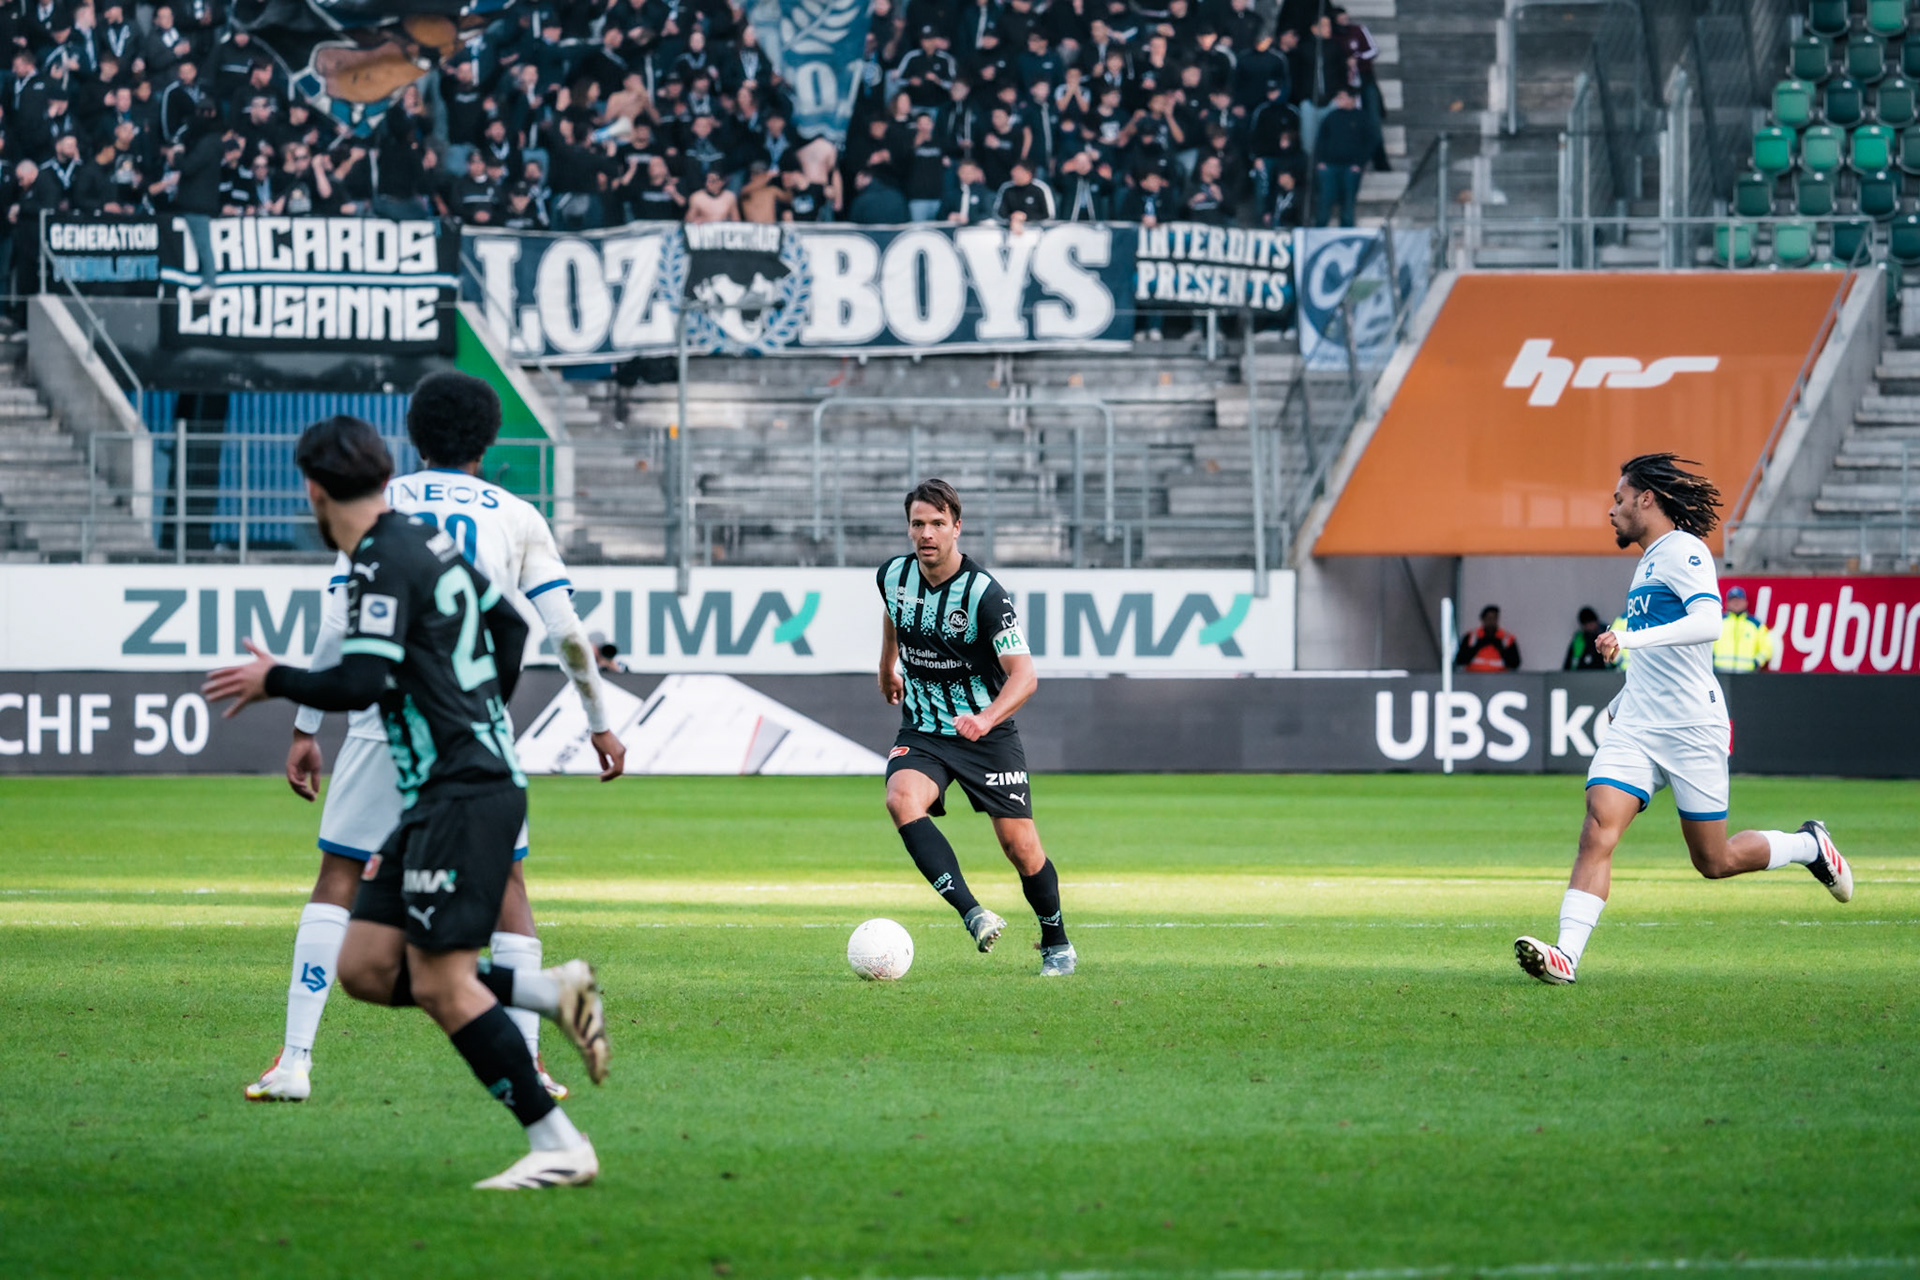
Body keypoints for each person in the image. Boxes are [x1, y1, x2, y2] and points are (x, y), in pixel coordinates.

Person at [203, 413, 609, 1189]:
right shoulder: (427, 543)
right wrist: (478, 701)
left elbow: (358, 681)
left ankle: (557, 1143)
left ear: (315, 492)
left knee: (439, 981)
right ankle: (548, 991)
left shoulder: (381, 560)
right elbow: (508, 624)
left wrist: (275, 680)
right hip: (448, 785)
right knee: (365, 965)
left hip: (464, 789)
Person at [1514, 455, 1852, 986]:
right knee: (1597, 829)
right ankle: (1566, 956)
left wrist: (1628, 637)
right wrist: (1628, 692)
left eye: (1620, 499)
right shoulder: (1645, 562)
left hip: (1693, 727)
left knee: (1714, 861)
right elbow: (1663, 653)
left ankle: (1808, 845)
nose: (1612, 510)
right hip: (1638, 727)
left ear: (1647, 499)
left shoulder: (1685, 551)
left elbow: (1708, 622)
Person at [878, 478, 1076, 978]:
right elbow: (893, 615)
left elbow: (1024, 676)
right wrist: (887, 666)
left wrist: (985, 718)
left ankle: (1056, 941)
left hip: (985, 734)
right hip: (923, 728)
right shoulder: (892, 575)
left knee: (1021, 848)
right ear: (909, 528)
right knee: (901, 798)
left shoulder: (985, 594)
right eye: (918, 523)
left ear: (957, 527)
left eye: (937, 523)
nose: (927, 533)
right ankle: (973, 913)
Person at [1712, 586, 1776, 674]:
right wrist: (1712, 659)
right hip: (1719, 672)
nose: (1736, 603)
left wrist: (1756, 662)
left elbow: (1766, 648)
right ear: (1726, 603)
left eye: (1738, 600)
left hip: (1748, 674)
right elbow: (1708, 645)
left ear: (1745, 602)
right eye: (1732, 600)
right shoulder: (1719, 622)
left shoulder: (1755, 624)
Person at [1454, 604, 1520, 672]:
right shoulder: (1471, 637)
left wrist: (1500, 647)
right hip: (1474, 677)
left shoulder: (1507, 638)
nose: (1491, 621)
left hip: (1500, 678)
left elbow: (1515, 663)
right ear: (1483, 619)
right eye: (1488, 618)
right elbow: (1460, 660)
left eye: (1494, 618)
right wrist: (1478, 645)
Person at [1562, 606, 1612, 671]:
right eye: (1587, 624)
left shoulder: (1605, 638)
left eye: (1592, 623)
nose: (1590, 626)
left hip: (1604, 677)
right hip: (1580, 677)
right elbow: (1568, 666)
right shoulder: (1578, 641)